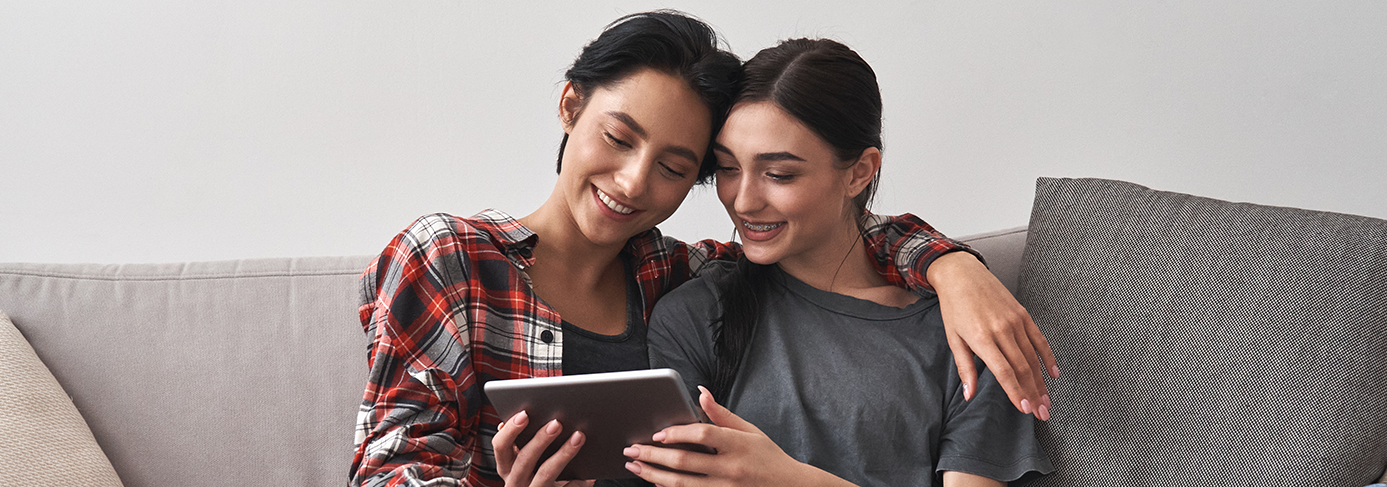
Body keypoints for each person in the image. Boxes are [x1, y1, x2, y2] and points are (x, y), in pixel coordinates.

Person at [354, 11, 1053, 487]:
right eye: (618, 138)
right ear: (570, 107)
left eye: (676, 165)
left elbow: (824, 242)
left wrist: (951, 266)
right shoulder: (449, 259)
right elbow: (387, 464)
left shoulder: (676, 273)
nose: (633, 182)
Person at [626, 39, 1055, 486]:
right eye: (728, 168)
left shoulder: (968, 332)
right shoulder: (696, 313)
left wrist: (790, 480)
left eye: (779, 174)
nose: (744, 201)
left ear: (859, 172)